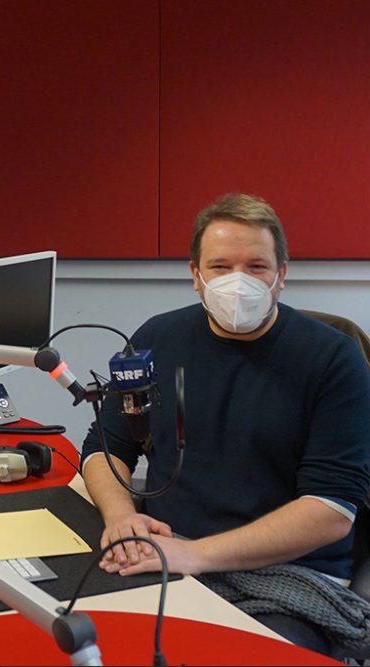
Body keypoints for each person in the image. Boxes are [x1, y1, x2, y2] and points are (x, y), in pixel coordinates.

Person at [81, 193, 370, 655]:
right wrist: (122, 520)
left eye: (256, 266)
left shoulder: (334, 358)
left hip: (287, 576)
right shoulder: (157, 337)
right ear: (195, 276)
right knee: (79, 638)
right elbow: (103, 447)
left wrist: (196, 555)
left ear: (282, 276)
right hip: (165, 552)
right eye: (220, 267)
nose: (239, 282)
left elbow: (331, 510)